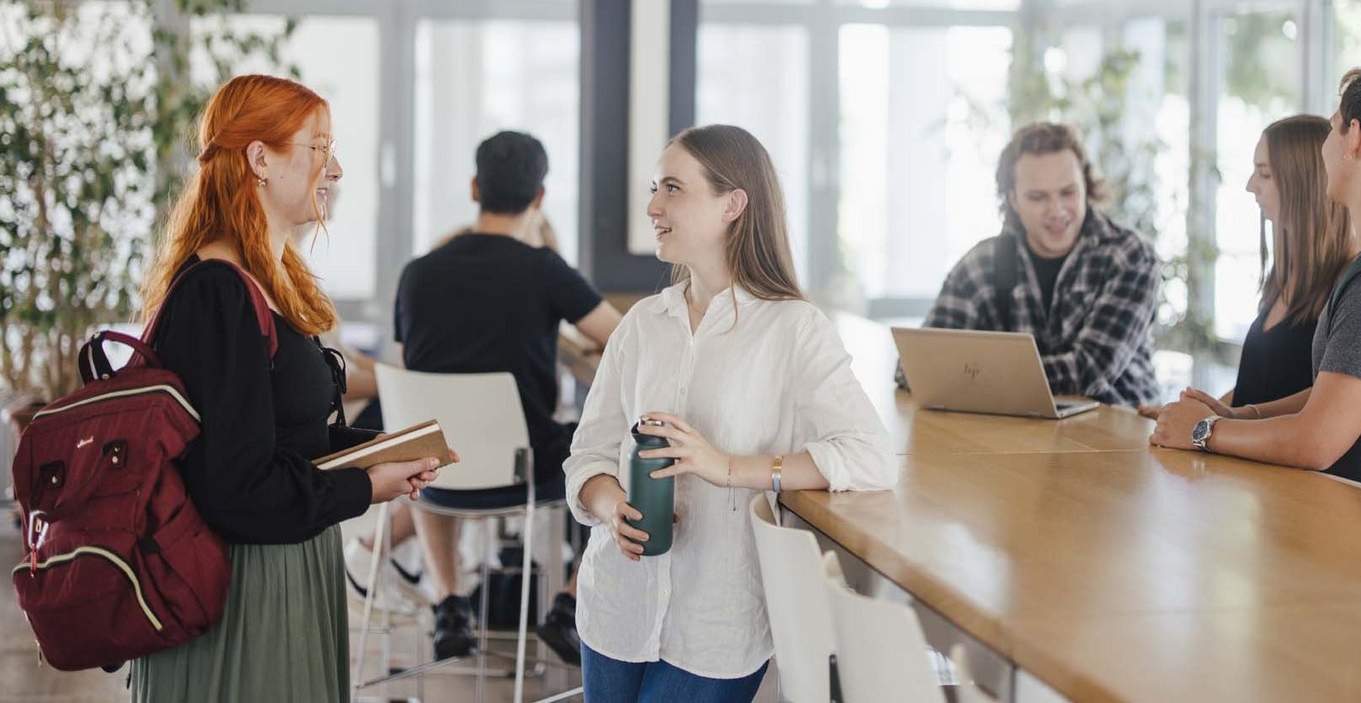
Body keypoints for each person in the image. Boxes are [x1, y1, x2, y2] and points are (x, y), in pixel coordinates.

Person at [129, 74, 442, 703]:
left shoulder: (261, 281)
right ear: (259, 158)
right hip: (242, 588)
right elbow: (239, 489)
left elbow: (278, 437)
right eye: (319, 148)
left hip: (286, 568)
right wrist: (364, 486)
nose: (337, 168)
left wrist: (377, 452)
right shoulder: (220, 293)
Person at [565, 124, 896, 701]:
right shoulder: (641, 325)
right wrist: (609, 503)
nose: (652, 205)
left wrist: (726, 467)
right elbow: (589, 455)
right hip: (616, 608)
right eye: (655, 187)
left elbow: (868, 456)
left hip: (716, 623)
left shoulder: (794, 329)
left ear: (733, 204)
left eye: (672, 188)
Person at [1151, 64, 1361, 509]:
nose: (1325, 148)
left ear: (1353, 137)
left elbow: (1316, 440)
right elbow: (1338, 393)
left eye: (1332, 130)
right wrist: (1241, 415)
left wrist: (1202, 432)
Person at [395, 129, 621, 660]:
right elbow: (628, 339)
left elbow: (414, 373)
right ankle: (569, 603)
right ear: (540, 197)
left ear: (475, 188)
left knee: (428, 435)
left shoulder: (417, 274)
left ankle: (451, 602)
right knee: (612, 454)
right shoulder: (545, 270)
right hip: (526, 470)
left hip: (435, 473)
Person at [921, 121, 1160, 405]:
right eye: (1037, 197)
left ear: (1085, 186)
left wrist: (975, 376)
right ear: (1013, 200)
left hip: (1123, 432)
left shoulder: (1130, 257)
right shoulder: (982, 264)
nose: (1056, 211)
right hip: (1022, 432)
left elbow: (1089, 370)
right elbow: (920, 365)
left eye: (1068, 192)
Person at [1139, 115, 1353, 420]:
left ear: (1302, 181)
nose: (1251, 186)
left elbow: (1327, 400)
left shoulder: (1351, 281)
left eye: (1264, 174)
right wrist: (1197, 412)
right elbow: (1254, 389)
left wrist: (1216, 421)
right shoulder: (1285, 273)